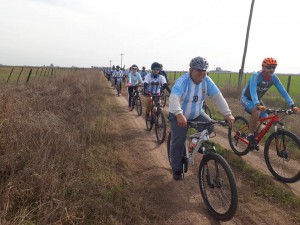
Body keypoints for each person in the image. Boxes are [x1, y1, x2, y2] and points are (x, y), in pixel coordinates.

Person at [169, 56, 235, 181]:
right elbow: (174, 98)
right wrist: (179, 114)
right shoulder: (183, 81)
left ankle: (194, 141)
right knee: (178, 141)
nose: (201, 74)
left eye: (204, 72)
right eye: (198, 71)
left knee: (210, 126)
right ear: (190, 70)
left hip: (197, 114)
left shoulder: (207, 81)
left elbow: (218, 97)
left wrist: (227, 113)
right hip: (178, 115)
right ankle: (176, 168)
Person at [240, 57, 300, 147]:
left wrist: (292, 105)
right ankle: (250, 135)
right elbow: (252, 90)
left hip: (258, 100)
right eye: (269, 67)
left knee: (265, 119)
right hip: (247, 98)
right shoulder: (256, 76)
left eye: (273, 68)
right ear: (263, 67)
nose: (271, 69)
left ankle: (254, 137)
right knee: (256, 111)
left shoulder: (274, 78)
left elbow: (283, 91)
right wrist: (256, 103)